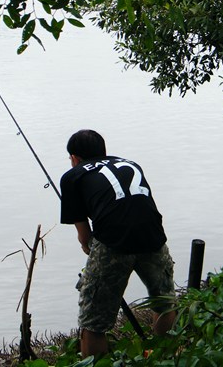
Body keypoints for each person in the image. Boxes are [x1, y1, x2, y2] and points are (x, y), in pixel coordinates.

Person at [60, 129, 176, 358]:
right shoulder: (131, 163)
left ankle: (95, 362)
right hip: (153, 236)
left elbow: (85, 238)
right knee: (165, 302)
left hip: (112, 242)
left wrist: (92, 251)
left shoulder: (72, 176)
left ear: (74, 158)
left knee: (93, 322)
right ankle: (167, 358)